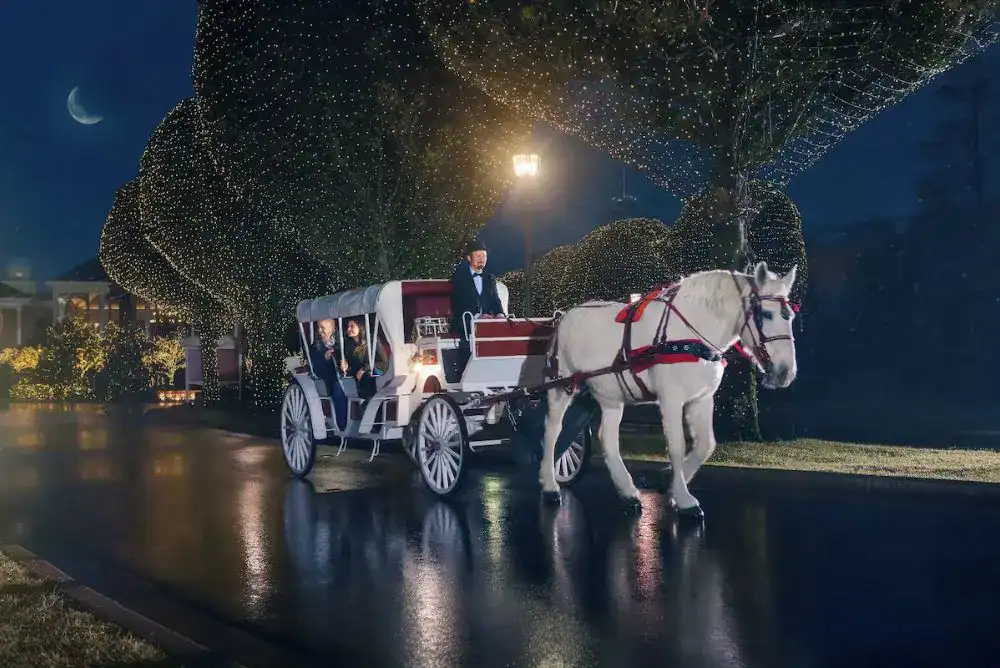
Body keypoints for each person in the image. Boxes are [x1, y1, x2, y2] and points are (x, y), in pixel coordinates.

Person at [450, 240, 505, 373]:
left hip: (486, 325)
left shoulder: (489, 278)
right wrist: (477, 316)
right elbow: (458, 303)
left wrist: (500, 313)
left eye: (484, 256)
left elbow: (495, 301)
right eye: (479, 256)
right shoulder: (459, 277)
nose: (482, 259)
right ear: (469, 258)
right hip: (465, 323)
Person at [307, 318, 347, 430]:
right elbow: (314, 367)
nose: (320, 330)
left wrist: (346, 365)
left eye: (323, 328)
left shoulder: (341, 343)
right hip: (327, 380)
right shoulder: (315, 347)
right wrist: (324, 358)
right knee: (339, 389)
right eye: (319, 327)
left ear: (333, 329)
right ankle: (342, 425)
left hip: (345, 376)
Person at [340, 318, 388, 401]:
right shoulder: (348, 345)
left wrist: (364, 368)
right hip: (359, 378)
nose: (348, 329)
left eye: (352, 326)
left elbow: (384, 363)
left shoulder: (373, 340)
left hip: (375, 374)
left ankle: (368, 403)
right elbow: (353, 368)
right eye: (348, 326)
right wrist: (347, 367)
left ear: (360, 327)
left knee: (367, 377)